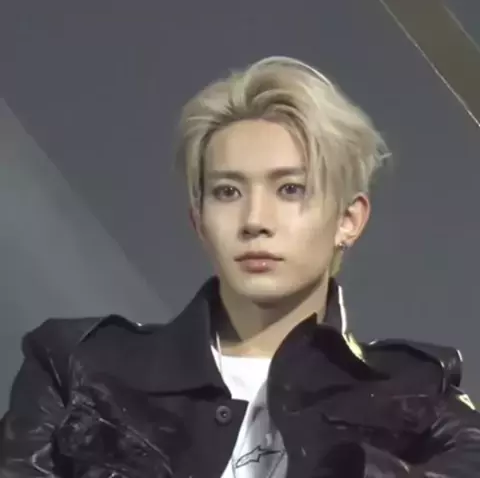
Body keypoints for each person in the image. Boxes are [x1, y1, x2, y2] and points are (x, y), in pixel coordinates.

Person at [1, 56, 479, 478]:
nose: (254, 221)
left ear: (348, 220)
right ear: (198, 220)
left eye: (290, 189)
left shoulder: (417, 396)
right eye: (227, 192)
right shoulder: (76, 366)